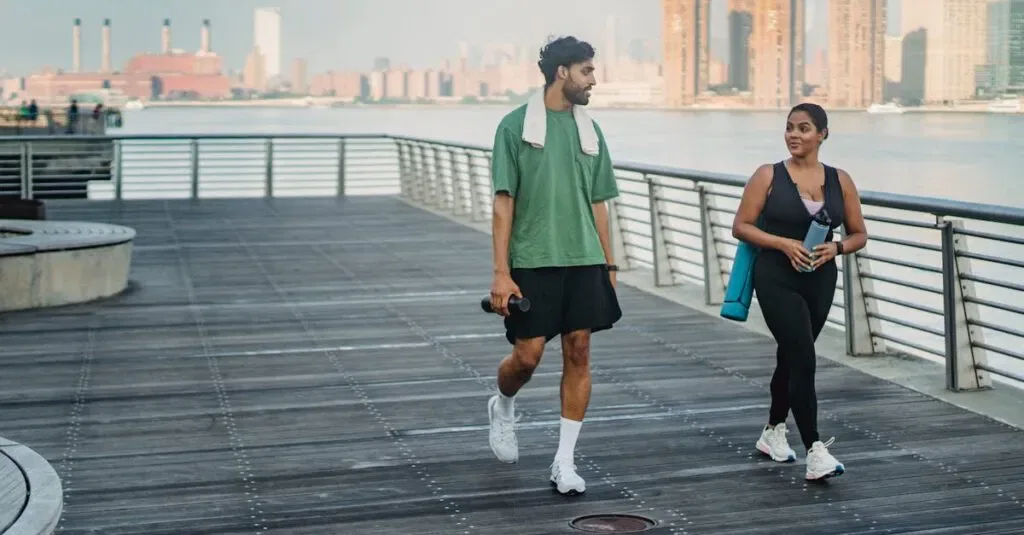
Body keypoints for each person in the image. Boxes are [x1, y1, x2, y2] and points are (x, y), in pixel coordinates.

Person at [485, 35, 622, 496]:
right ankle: (502, 404)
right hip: (533, 260)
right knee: (527, 358)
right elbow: (504, 204)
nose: (593, 80)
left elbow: (600, 203)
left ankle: (564, 461)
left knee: (579, 350)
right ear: (561, 72)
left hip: (584, 259)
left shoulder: (592, 131)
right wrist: (501, 272)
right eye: (586, 71)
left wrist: (609, 262)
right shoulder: (514, 127)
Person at [731, 103, 868, 481]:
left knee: (791, 357)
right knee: (803, 357)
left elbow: (859, 233)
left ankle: (773, 430)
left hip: (820, 279)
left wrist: (836, 248)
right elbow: (741, 226)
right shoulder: (767, 175)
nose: (794, 135)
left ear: (822, 134)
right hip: (775, 276)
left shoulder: (841, 180)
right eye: (790, 128)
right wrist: (782, 243)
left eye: (804, 128)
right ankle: (815, 450)